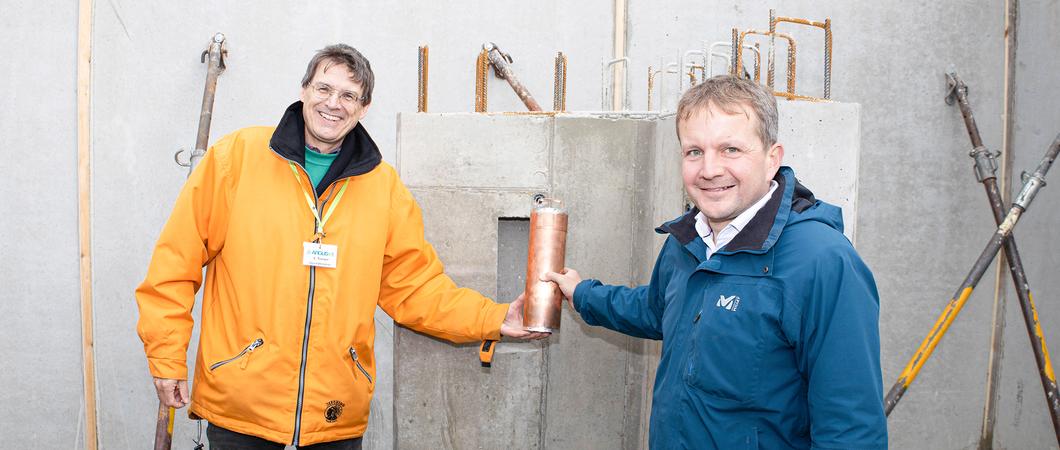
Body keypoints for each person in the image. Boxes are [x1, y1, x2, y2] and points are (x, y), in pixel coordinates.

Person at [135, 44, 545, 449]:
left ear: (364, 108)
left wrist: (494, 317)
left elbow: (416, 289)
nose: (334, 104)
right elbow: (175, 264)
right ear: (304, 91)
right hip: (242, 409)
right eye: (324, 89)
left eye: (349, 95)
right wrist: (168, 357)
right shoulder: (236, 159)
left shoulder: (383, 187)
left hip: (334, 416)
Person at [544, 75, 887, 449]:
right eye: (694, 152)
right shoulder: (688, 239)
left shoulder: (822, 261)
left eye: (730, 150)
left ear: (773, 159)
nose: (709, 170)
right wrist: (583, 294)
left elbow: (851, 429)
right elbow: (658, 309)